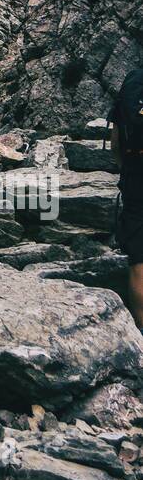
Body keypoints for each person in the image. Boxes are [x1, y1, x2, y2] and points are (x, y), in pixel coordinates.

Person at [110, 67, 143, 331]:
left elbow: (116, 140)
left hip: (136, 173)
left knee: (139, 258)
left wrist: (127, 168)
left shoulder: (133, 82)